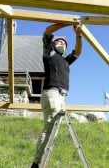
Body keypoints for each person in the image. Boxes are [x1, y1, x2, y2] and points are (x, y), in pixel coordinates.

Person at [31, 23, 82, 168]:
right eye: (59, 41)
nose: (62, 43)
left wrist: (78, 34)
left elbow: (78, 52)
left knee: (53, 131)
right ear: (53, 45)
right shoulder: (49, 54)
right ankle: (37, 164)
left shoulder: (65, 61)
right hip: (52, 93)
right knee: (49, 130)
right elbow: (47, 32)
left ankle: (41, 162)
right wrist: (66, 22)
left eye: (64, 43)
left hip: (61, 97)